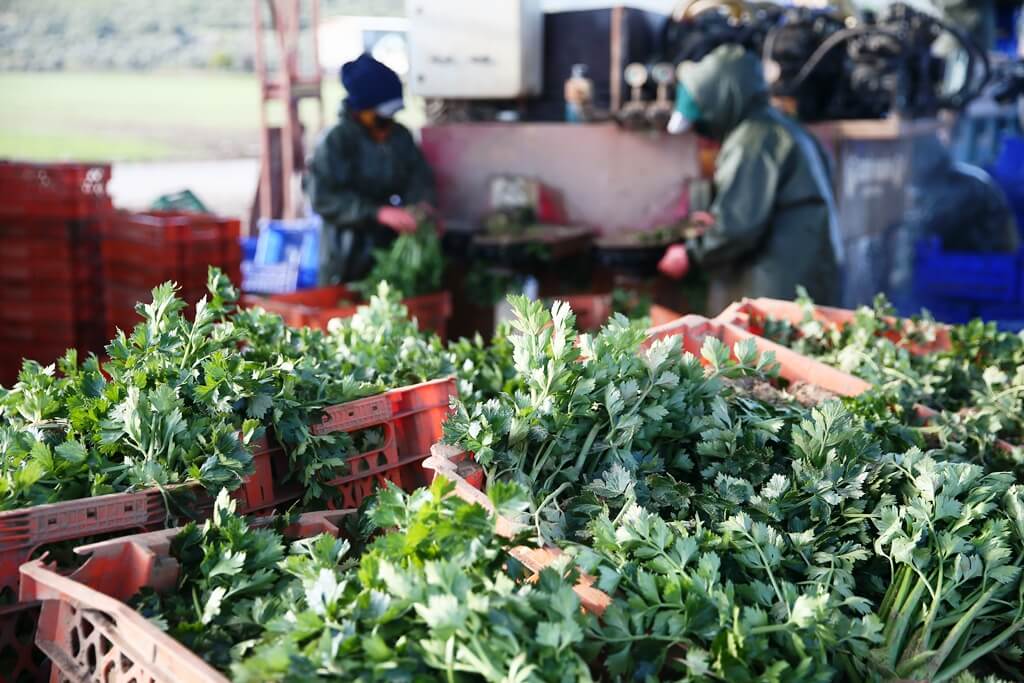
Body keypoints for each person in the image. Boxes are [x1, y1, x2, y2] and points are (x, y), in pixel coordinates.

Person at [660, 44, 843, 313]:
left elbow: (739, 226)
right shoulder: (786, 128)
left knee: (770, 355)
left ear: (722, 101)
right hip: (811, 277)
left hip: (780, 287)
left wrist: (690, 253)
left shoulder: (752, 140)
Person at [305, 53, 436, 285]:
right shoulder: (335, 141)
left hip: (387, 251)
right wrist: (378, 213)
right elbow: (323, 199)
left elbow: (419, 176)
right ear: (360, 111)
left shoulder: (400, 137)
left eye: (392, 118)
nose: (387, 128)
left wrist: (421, 205)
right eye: (381, 120)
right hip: (344, 257)